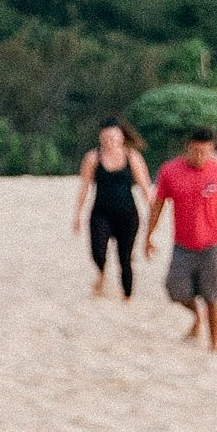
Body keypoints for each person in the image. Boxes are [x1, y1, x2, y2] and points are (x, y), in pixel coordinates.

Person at [144, 128, 217, 349]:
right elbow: (158, 204)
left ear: (212, 151)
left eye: (206, 152)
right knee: (175, 289)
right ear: (188, 147)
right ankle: (196, 315)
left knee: (212, 296)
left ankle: (214, 345)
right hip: (182, 245)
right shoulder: (170, 171)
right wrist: (148, 235)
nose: (200, 157)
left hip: (211, 245)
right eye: (196, 151)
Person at [72, 119, 151, 301]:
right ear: (100, 139)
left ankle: (127, 296)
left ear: (122, 138)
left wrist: (152, 210)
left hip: (127, 215)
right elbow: (84, 187)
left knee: (125, 258)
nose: (110, 141)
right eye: (106, 138)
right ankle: (101, 274)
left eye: (114, 137)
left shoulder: (132, 157)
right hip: (101, 213)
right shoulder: (93, 158)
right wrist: (77, 214)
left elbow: (145, 186)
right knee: (97, 252)